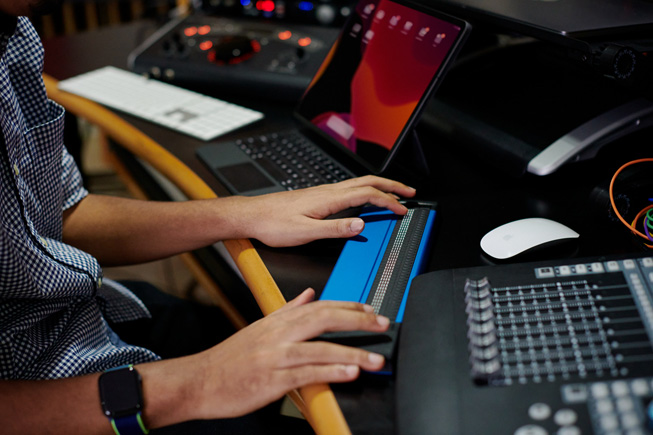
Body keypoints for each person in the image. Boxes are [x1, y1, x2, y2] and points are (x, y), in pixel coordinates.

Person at [0, 1, 417, 433]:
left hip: (72, 321)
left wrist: (244, 214)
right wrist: (201, 382)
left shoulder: (16, 34)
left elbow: (62, 215)